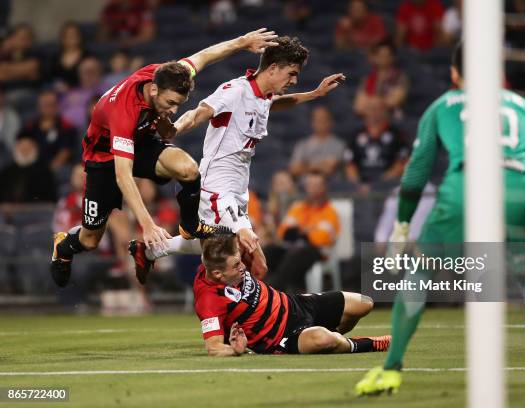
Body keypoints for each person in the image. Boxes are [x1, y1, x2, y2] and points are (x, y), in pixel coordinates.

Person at [355, 43, 525, 396]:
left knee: (420, 273)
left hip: (466, 188)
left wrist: (402, 224)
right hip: (519, 189)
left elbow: (416, 173)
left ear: (454, 73)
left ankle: (391, 370)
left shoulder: (443, 105)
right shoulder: (522, 106)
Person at [50, 29, 279, 288]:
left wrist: (242, 42)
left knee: (188, 169)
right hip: (104, 159)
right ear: (154, 89)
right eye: (170, 103)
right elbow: (123, 174)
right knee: (90, 239)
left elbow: (204, 56)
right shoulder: (123, 111)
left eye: (178, 105)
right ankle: (63, 247)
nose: (173, 111)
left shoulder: (169, 74)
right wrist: (147, 225)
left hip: (142, 142)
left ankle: (191, 226)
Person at [132, 36, 345, 283]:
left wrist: (314, 94)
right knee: (247, 258)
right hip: (216, 188)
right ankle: (235, 314)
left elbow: (274, 104)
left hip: (238, 188)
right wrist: (174, 130)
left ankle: (150, 250)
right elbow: (198, 113)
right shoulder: (235, 91)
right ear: (273, 68)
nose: (294, 80)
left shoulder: (263, 96)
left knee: (217, 246)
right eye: (291, 73)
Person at [194, 234, 391, 356]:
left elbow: (261, 264)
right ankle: (365, 344)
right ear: (218, 274)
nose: (243, 266)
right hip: (280, 337)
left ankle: (336, 340)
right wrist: (235, 350)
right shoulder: (209, 300)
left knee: (365, 303)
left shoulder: (223, 257)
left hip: (294, 303)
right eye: (236, 265)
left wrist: (247, 233)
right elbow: (214, 347)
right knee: (323, 340)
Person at [264, 171, 339, 292]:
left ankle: (273, 288)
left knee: (297, 253)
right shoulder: (298, 207)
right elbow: (283, 232)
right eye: (310, 185)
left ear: (324, 188)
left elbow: (320, 239)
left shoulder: (330, 212)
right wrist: (306, 231)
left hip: (316, 252)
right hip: (292, 248)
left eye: (316, 185)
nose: (312, 188)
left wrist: (300, 231)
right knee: (270, 250)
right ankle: (261, 284)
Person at [19, 90, 77, 171]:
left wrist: (47, 172)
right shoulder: (30, 127)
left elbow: (65, 153)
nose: (48, 108)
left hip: (54, 169)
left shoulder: (66, 127)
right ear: (39, 107)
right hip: (31, 166)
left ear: (57, 106)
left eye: (51, 105)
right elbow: (22, 146)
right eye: (44, 105)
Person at [353, 41, 409, 119]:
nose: (383, 58)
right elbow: (358, 107)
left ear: (392, 57)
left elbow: (394, 101)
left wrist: (370, 102)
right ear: (375, 57)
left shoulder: (399, 77)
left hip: (392, 119)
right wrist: (381, 102)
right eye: (380, 55)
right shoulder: (367, 79)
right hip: (369, 119)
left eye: (386, 55)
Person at [288, 106, 345, 180]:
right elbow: (294, 169)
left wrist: (305, 165)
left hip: (329, 186)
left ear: (331, 122)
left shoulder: (338, 145)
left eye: (324, 119)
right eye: (317, 120)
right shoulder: (302, 144)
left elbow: (328, 169)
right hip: (304, 186)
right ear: (312, 122)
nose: (321, 123)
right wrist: (319, 165)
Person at [0, 136, 57, 204]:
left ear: (35, 148)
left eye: (28, 147)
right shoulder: (7, 171)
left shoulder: (44, 171)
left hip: (34, 211)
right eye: (21, 146)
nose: (24, 150)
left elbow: (48, 197)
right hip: (6, 211)